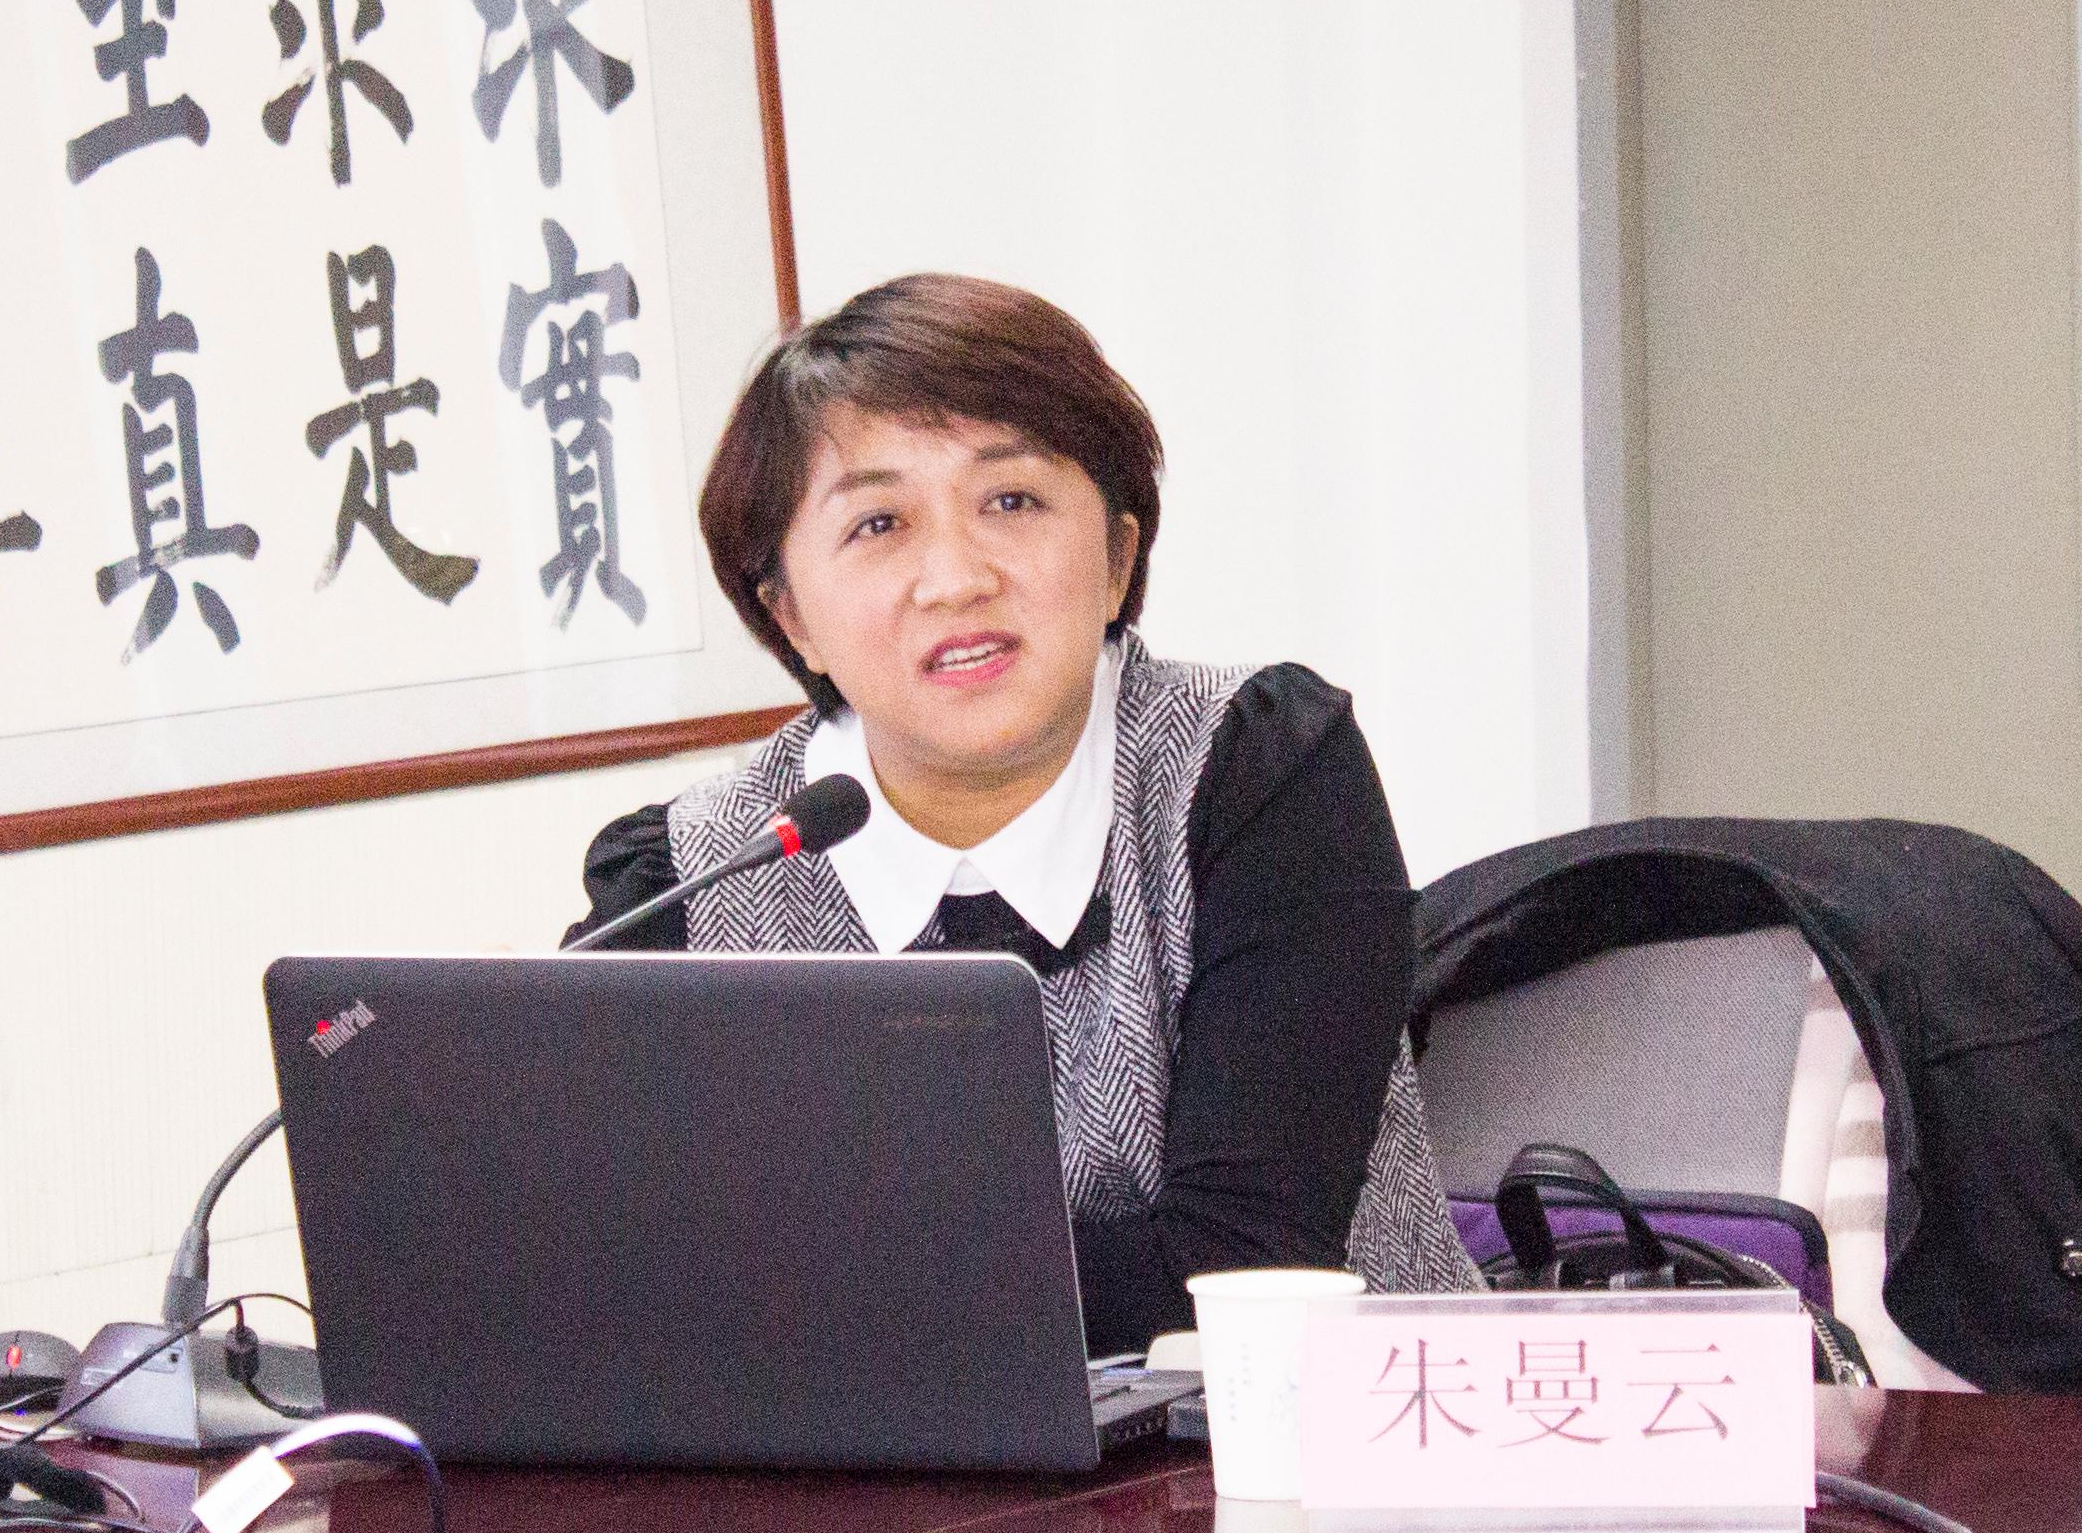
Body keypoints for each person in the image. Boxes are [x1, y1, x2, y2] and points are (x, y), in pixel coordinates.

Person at [571, 272, 1481, 1351]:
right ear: (791, 616)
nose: (955, 578)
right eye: (877, 522)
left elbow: (1241, 1269)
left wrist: (798, 1291)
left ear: (1117, 559)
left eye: (1011, 501)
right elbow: (612, 1268)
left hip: (1341, 1436)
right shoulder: (693, 880)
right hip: (865, 1467)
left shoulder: (1260, 771)